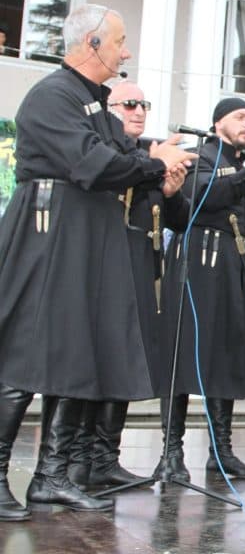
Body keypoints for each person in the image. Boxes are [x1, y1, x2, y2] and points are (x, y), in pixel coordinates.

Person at [0, 4, 195, 519]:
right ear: (91, 43)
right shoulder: (52, 96)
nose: (125, 52)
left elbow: (124, 161)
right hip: (50, 230)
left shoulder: (95, 105)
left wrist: (160, 174)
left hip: (84, 234)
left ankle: (51, 476)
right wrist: (152, 163)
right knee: (24, 352)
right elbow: (93, 163)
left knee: (75, 352)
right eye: (119, 41)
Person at [68, 82, 190, 491]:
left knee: (123, 361)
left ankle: (106, 457)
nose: (139, 111)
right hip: (105, 262)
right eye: (130, 104)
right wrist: (153, 165)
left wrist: (171, 192)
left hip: (142, 262)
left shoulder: (148, 154)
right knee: (96, 360)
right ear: (109, 109)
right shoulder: (110, 151)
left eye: (144, 104)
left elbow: (179, 219)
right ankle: (79, 459)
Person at [154, 97, 245, 483]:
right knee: (181, 353)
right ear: (218, 122)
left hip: (234, 264)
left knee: (225, 355)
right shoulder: (199, 156)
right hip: (198, 261)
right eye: (240, 116)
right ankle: (171, 454)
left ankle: (221, 454)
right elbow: (205, 197)